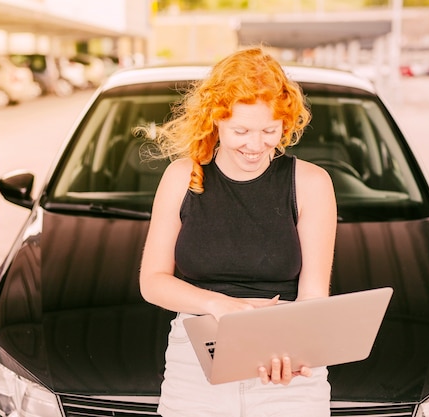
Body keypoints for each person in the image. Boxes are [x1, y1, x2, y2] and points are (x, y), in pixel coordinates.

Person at [138, 47, 337, 417]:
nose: (256, 145)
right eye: (241, 130)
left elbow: (313, 296)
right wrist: (220, 306)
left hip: (286, 366)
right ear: (215, 120)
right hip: (196, 364)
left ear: (286, 123)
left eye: (269, 131)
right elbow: (152, 282)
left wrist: (293, 350)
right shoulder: (181, 177)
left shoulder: (311, 183)